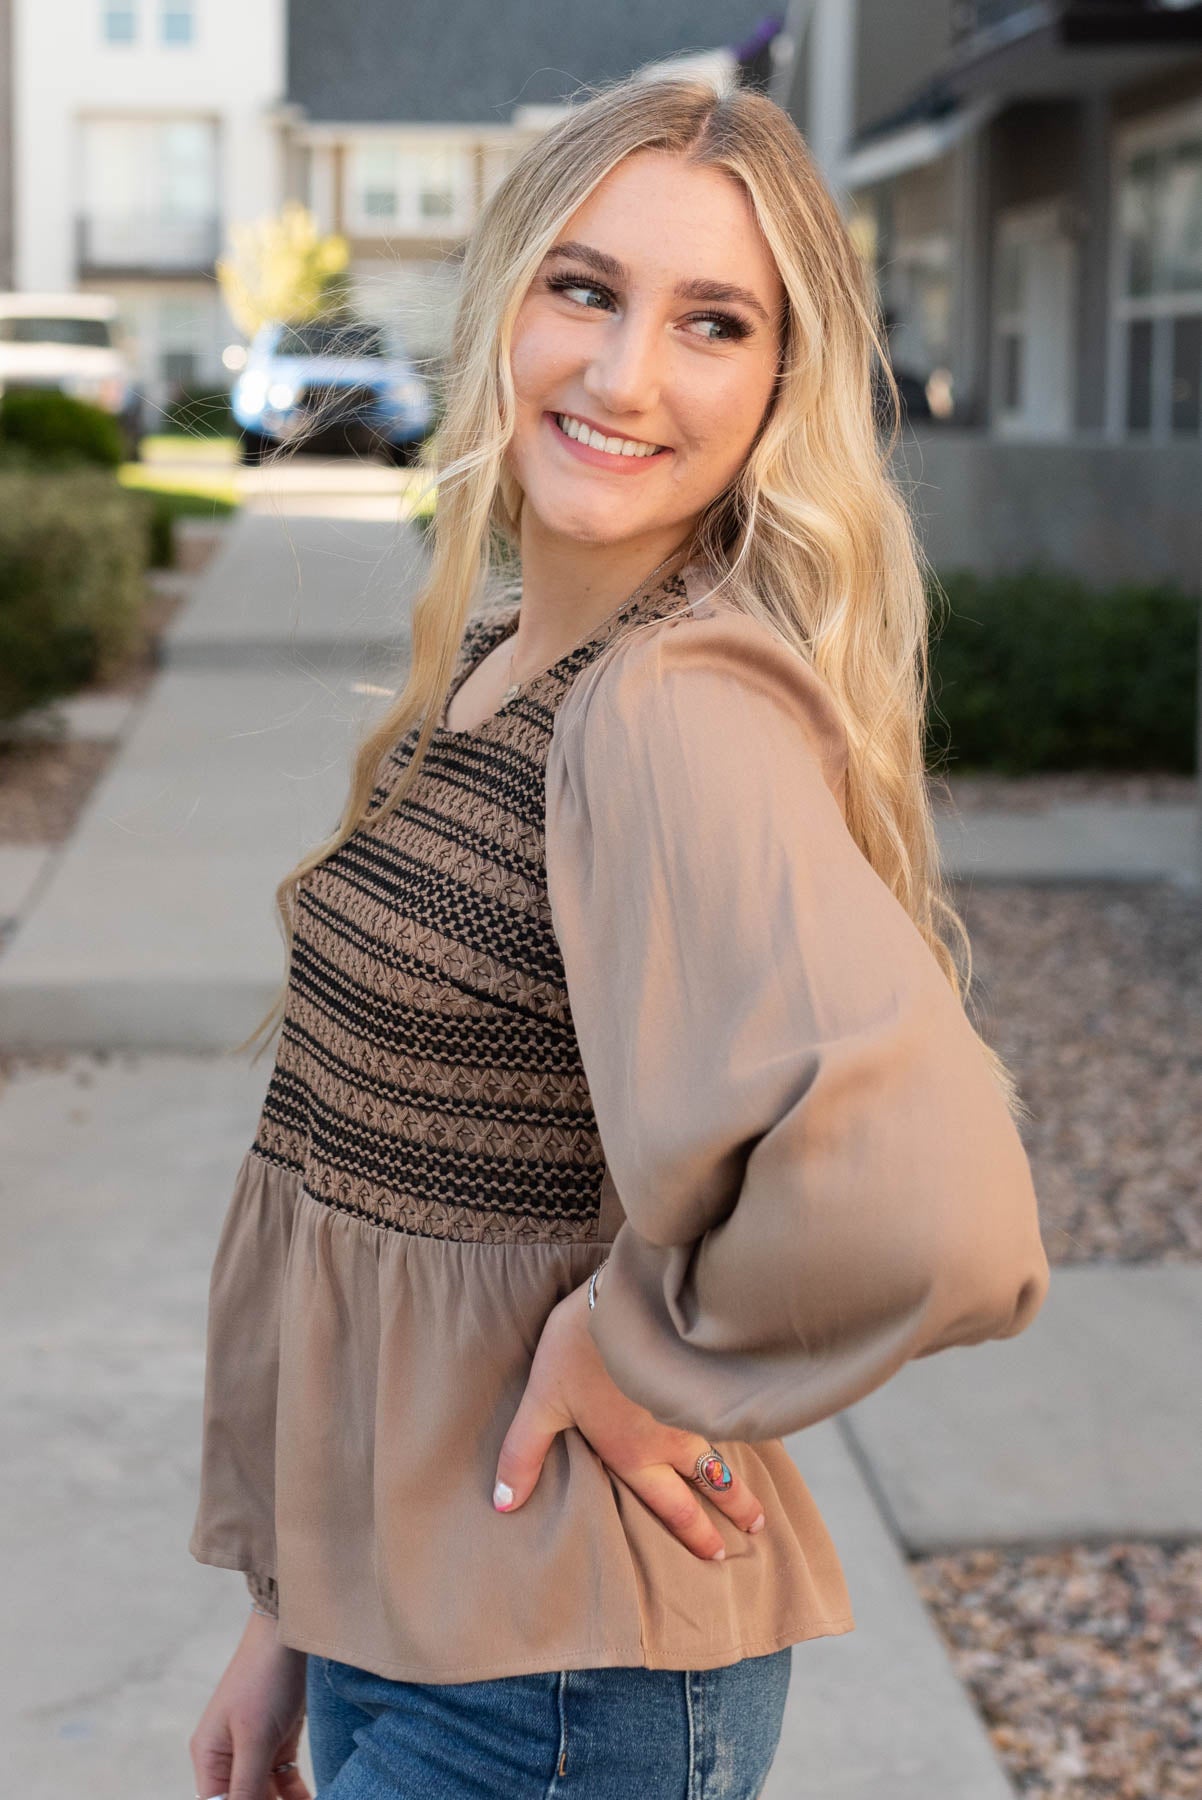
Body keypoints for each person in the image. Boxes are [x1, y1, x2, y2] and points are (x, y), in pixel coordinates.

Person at [187, 73, 1050, 1800]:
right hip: (412, 1619)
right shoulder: (508, 661)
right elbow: (386, 1178)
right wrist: (296, 1605)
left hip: (557, 1685)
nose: (623, 374)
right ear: (505, 296)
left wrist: (635, 1345)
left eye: (712, 321)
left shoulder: (672, 702)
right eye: (584, 289)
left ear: (779, 387)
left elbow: (933, 1207)